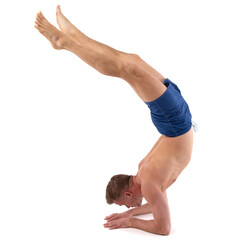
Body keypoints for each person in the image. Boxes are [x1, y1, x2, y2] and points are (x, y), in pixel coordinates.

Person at [35, 6, 194, 235]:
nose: (130, 207)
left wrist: (131, 221)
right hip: (175, 119)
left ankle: (68, 41)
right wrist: (130, 214)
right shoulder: (144, 174)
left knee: (128, 66)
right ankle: (72, 37)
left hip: (175, 121)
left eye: (125, 204)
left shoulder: (148, 182)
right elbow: (160, 213)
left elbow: (162, 227)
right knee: (130, 63)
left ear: (128, 193)